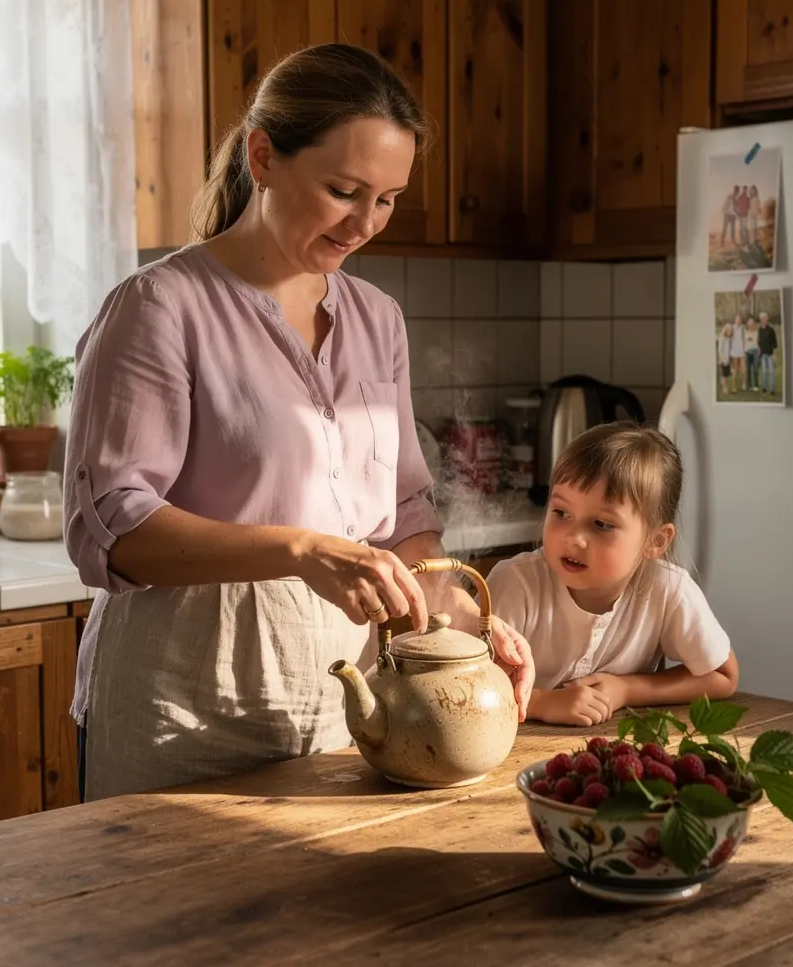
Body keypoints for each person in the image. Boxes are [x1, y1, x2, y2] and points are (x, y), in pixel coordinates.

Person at [63, 43, 534, 802]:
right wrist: (303, 549)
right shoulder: (159, 307)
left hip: (348, 707)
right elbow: (113, 532)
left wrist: (466, 623)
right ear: (264, 156)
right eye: (344, 190)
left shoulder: (378, 319)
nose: (365, 223)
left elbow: (406, 517)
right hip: (185, 710)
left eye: (386, 198)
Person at [486, 423, 739, 726]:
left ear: (655, 542)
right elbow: (462, 686)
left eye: (602, 524)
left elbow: (723, 675)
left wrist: (626, 690)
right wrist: (540, 703)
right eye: (561, 513)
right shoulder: (515, 584)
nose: (574, 539)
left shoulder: (669, 590)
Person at [758, 310, 779, 395]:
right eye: (761, 318)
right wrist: (760, 350)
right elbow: (760, 341)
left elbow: (774, 342)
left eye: (764, 318)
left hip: (770, 353)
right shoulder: (760, 329)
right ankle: (765, 388)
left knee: (771, 371)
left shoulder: (771, 330)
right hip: (763, 354)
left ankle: (773, 388)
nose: (763, 320)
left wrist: (774, 354)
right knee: (764, 372)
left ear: (767, 319)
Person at [730, 313, 747, 390]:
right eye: (737, 319)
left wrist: (744, 350)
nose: (738, 321)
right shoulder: (731, 328)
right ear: (735, 320)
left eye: (739, 320)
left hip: (742, 351)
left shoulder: (743, 328)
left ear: (741, 321)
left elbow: (745, 339)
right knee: (735, 370)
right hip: (734, 352)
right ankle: (734, 387)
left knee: (743, 369)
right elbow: (725, 336)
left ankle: (744, 384)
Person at [744, 316, 760, 391]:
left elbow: (758, 342)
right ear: (747, 324)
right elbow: (743, 342)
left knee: (755, 369)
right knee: (748, 370)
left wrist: (759, 350)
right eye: (749, 323)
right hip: (747, 352)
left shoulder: (756, 332)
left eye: (752, 323)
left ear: (754, 324)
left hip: (755, 352)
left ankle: (756, 385)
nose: (751, 325)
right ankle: (749, 386)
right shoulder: (745, 332)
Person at [718, 323, 734, 394]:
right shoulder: (722, 338)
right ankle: (724, 388)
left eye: (730, 331)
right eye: (728, 330)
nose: (729, 332)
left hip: (727, 359)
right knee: (724, 374)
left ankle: (725, 386)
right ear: (725, 330)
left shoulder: (728, 339)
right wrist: (722, 359)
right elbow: (720, 350)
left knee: (726, 374)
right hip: (723, 359)